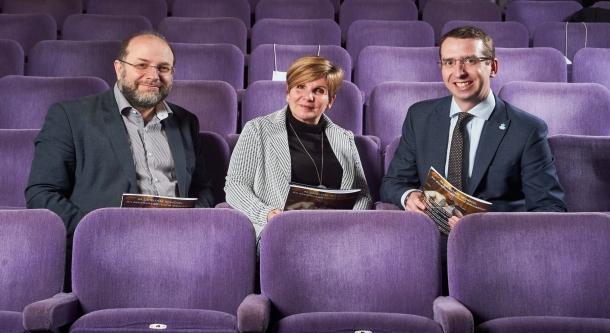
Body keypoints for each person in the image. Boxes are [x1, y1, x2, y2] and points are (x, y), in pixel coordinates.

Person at [26, 31, 215, 239]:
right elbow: (42, 193)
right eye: (142, 65)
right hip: (105, 246)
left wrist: (194, 224)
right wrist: (96, 234)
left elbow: (202, 188)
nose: (153, 76)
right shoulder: (70, 117)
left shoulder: (186, 121)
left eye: (163, 68)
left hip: (178, 241)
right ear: (119, 68)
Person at [381, 26, 566, 231]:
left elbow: (550, 209)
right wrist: (408, 196)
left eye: (470, 61)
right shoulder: (419, 117)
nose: (459, 72)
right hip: (429, 239)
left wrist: (484, 226)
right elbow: (392, 183)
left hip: (494, 244)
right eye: (449, 62)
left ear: (493, 67)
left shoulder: (527, 129)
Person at [225, 56, 372, 235]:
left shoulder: (345, 138)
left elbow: (363, 194)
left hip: (336, 235)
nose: (308, 97)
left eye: (319, 90)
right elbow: (235, 186)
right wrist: (268, 214)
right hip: (280, 232)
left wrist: (348, 226)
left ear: (331, 100)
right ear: (288, 93)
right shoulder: (257, 130)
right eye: (300, 87)